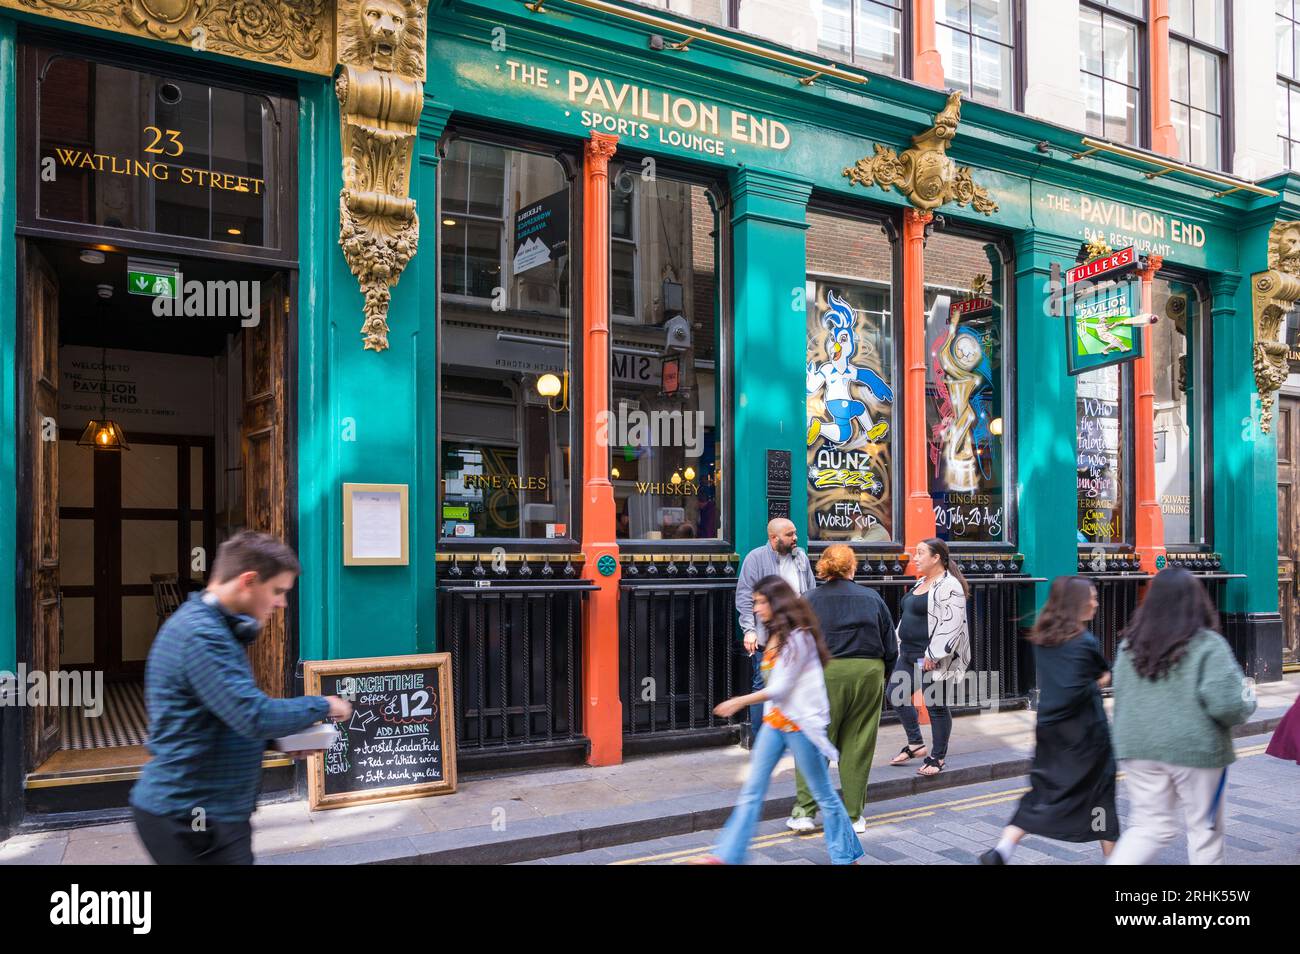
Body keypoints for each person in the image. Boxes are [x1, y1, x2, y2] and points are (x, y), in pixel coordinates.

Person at [130, 531, 353, 865]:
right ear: (248, 580)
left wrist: (278, 742)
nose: (282, 604)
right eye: (277, 591)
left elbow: (217, 720)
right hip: (190, 814)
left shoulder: (214, 628)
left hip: (206, 809)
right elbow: (252, 714)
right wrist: (323, 704)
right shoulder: (201, 635)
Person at [695, 577, 865, 865]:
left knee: (824, 796)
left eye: (762, 602)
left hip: (800, 726)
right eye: (756, 602)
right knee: (752, 790)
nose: (757, 608)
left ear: (777, 603)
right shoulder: (773, 635)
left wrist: (739, 701)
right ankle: (727, 857)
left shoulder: (801, 637)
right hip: (776, 723)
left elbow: (780, 688)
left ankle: (846, 857)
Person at [1107, 568, 1256, 865]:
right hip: (1195, 750)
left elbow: (1121, 696)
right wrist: (1248, 697)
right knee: (1204, 831)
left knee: (1148, 828)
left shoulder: (1128, 646)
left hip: (1138, 747)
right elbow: (1228, 705)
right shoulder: (1207, 644)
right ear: (1196, 600)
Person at [980, 576, 1118, 864]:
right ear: (1076, 603)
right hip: (1086, 735)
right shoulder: (1085, 641)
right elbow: (1102, 676)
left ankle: (1003, 849)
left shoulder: (1043, 639)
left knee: (1044, 790)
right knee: (1100, 795)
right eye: (1091, 596)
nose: (1095, 601)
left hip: (1051, 731)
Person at [786, 544, 896, 834]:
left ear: (823, 568)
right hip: (867, 670)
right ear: (852, 567)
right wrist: (883, 672)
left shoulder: (807, 599)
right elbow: (890, 645)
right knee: (858, 742)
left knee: (814, 738)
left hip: (822, 671)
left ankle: (805, 813)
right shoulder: (872, 598)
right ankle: (852, 816)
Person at [888, 537, 970, 777]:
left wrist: (934, 653)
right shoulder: (921, 582)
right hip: (908, 653)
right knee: (896, 694)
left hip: (931, 657)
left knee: (935, 704)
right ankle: (916, 744)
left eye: (920, 553)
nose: (915, 557)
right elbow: (908, 616)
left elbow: (952, 623)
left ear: (936, 558)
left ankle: (938, 756)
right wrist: (897, 641)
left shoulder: (950, 585)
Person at [735, 518, 816, 743]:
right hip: (767, 636)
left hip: (796, 635)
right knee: (762, 684)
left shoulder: (801, 557)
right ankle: (761, 741)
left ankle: (793, 734)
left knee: (797, 682)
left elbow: (810, 591)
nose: (795, 538)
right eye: (790, 534)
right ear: (774, 538)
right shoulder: (756, 558)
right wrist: (749, 629)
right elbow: (744, 595)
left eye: (795, 533)